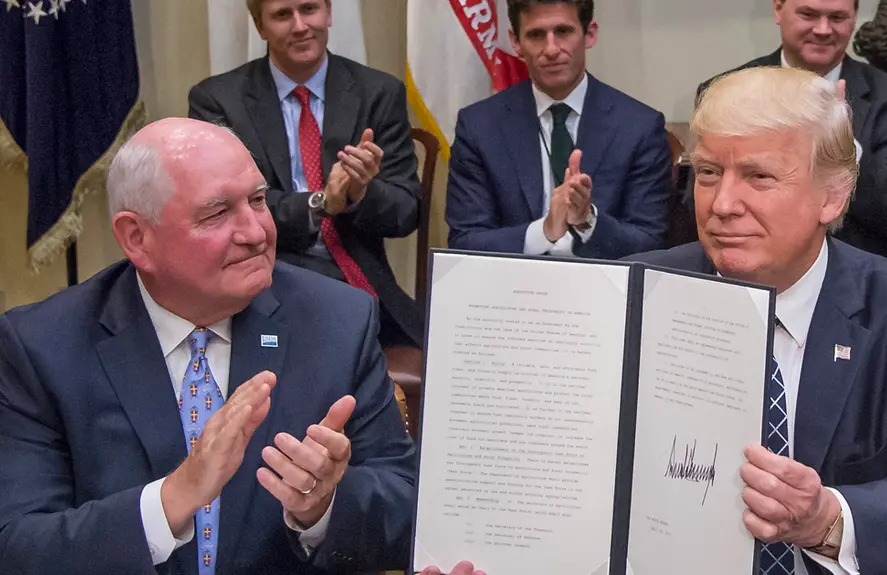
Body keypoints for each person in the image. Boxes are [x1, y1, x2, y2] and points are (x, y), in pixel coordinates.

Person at [0, 118, 416, 574]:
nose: (256, 232)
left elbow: (407, 509)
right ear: (136, 237)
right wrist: (174, 498)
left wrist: (322, 509)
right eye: (217, 213)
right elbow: (18, 546)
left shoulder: (336, 321)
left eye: (258, 200)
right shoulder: (40, 347)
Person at [627, 67, 887, 574]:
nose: (722, 204)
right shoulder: (636, 295)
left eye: (759, 177)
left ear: (832, 196)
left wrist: (827, 519)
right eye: (709, 173)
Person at [188, 0, 423, 348]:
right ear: (260, 26)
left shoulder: (378, 93)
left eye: (309, 9)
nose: (300, 26)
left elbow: (406, 212)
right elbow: (224, 211)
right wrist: (322, 203)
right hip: (263, 276)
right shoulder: (218, 100)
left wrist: (359, 194)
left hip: (358, 278)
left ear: (328, 14)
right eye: (282, 15)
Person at [695, 0, 887, 264]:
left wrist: (847, 148)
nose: (823, 29)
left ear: (855, 17)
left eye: (837, 17)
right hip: (746, 267)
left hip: (856, 272)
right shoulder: (726, 92)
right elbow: (701, 202)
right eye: (809, 14)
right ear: (778, 10)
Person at [444, 0, 672, 260]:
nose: (551, 49)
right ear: (515, 42)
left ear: (589, 34)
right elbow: (465, 242)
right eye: (536, 35)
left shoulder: (638, 127)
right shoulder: (479, 126)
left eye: (563, 32)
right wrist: (543, 232)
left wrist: (587, 221)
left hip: (602, 288)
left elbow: (651, 245)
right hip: (510, 289)